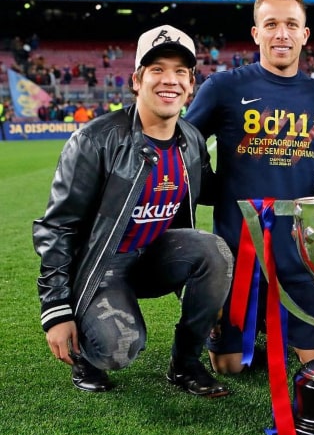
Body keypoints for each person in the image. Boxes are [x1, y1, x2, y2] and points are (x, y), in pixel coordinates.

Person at [33, 25, 234, 397]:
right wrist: (56, 312)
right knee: (119, 347)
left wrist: (265, 161)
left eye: (179, 72)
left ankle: (186, 362)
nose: (168, 80)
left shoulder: (190, 139)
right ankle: (88, 357)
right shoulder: (95, 139)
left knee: (214, 250)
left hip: (152, 259)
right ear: (137, 80)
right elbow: (56, 228)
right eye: (157, 69)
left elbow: (210, 190)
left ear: (191, 85)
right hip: (100, 266)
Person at [184, 0, 314, 375]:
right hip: (239, 249)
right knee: (229, 366)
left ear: (305, 34)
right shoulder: (223, 87)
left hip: (301, 250)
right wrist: (212, 190)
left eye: (290, 25)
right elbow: (182, 145)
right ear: (255, 33)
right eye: (271, 24)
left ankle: (282, 323)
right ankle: (256, 324)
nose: (281, 34)